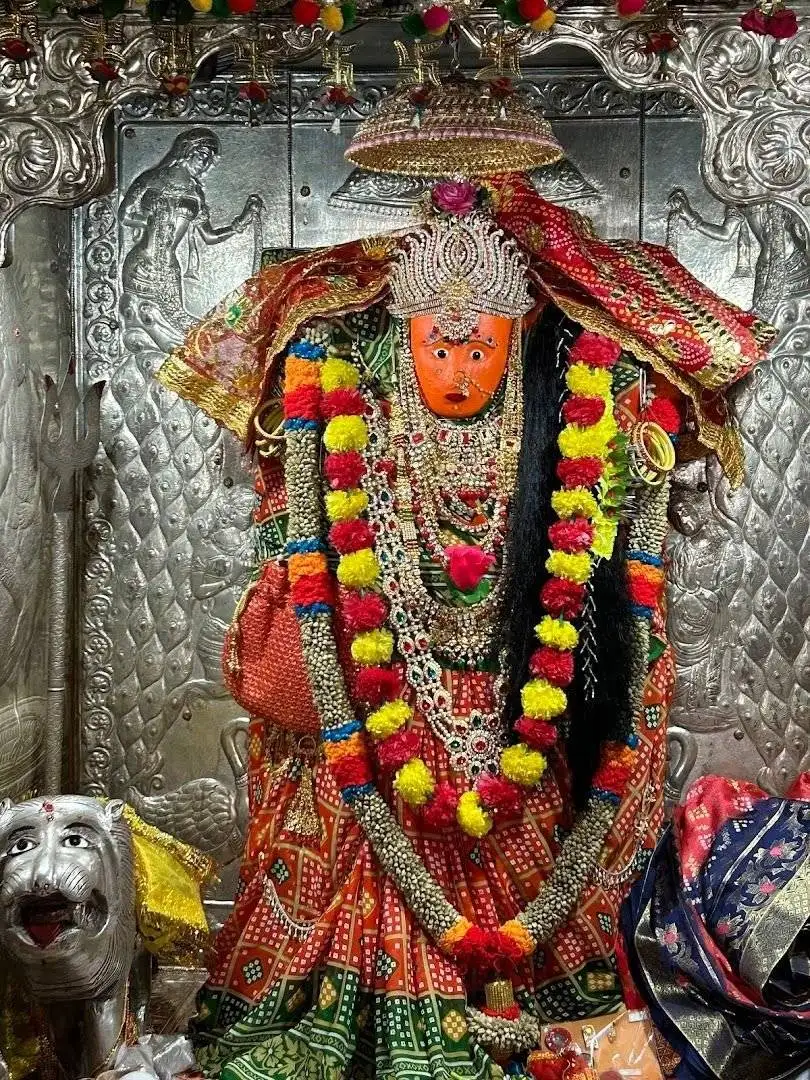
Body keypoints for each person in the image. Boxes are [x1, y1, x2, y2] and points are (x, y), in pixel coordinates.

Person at [155, 80, 773, 1080]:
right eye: (436, 343)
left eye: (478, 343)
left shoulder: (586, 378)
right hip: (376, 702)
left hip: (527, 698)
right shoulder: (336, 359)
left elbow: (628, 572)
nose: (456, 365)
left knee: (547, 786)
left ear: (512, 333)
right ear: (400, 334)